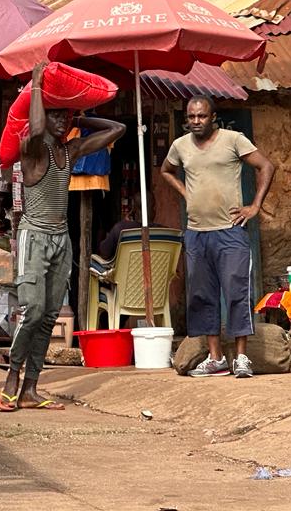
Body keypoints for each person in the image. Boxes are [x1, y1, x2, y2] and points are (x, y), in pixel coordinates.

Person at [0, 62, 126, 412]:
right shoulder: (32, 148)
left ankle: (31, 389)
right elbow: (37, 126)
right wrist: (37, 83)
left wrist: (80, 119)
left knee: (50, 315)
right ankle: (12, 378)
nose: (60, 122)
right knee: (32, 310)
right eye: (56, 116)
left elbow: (118, 128)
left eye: (65, 118)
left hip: (60, 239)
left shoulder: (70, 151)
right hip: (34, 237)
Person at [160, 95, 275, 379]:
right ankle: (216, 358)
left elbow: (266, 166)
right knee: (202, 296)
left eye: (201, 116)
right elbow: (166, 171)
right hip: (197, 233)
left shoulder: (233, 140)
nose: (195, 122)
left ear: (213, 117)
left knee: (236, 293)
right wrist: (187, 193)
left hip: (230, 231)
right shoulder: (180, 146)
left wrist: (255, 206)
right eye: (191, 117)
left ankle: (242, 357)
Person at [98, 189, 152, 261]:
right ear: (153, 210)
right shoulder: (164, 233)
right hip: (155, 271)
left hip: (125, 272)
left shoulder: (120, 229)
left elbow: (104, 253)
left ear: (133, 208)